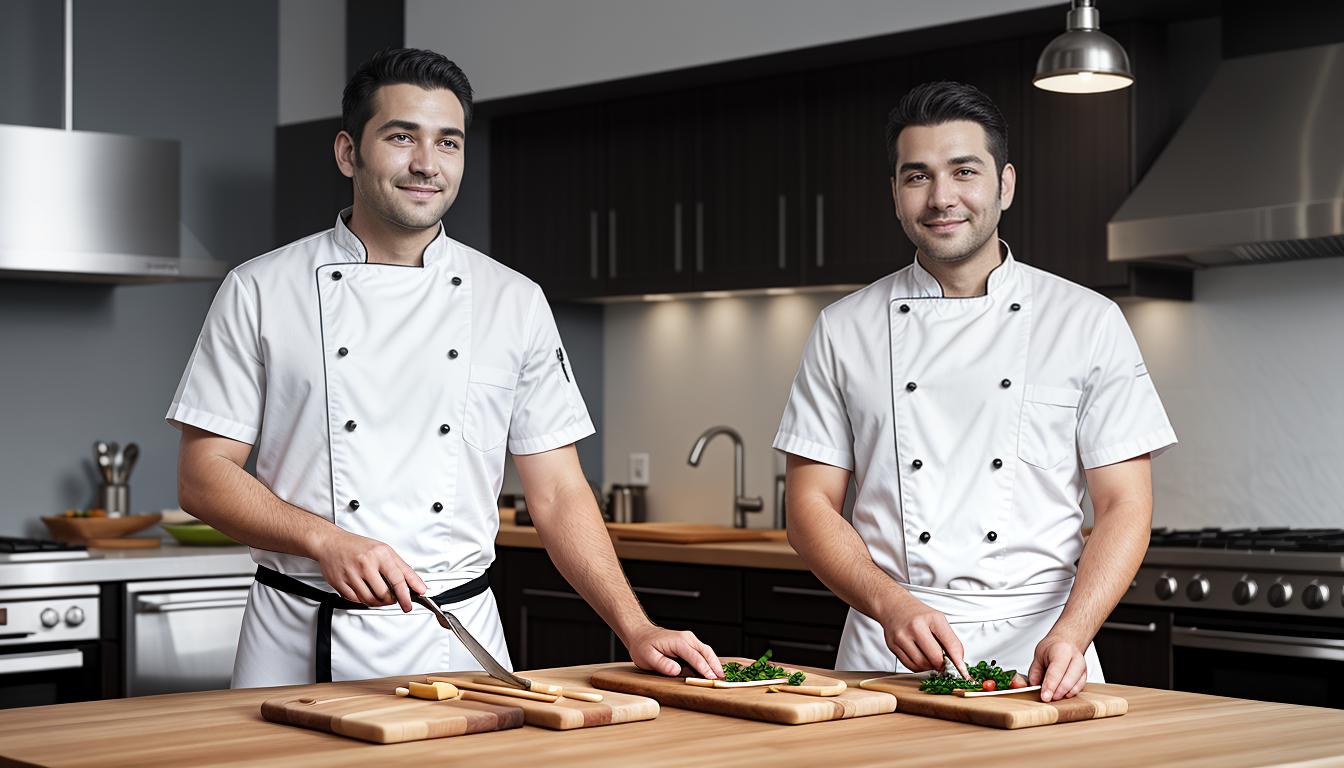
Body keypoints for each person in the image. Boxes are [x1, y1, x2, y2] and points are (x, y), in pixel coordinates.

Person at [168, 48, 722, 687]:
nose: (427, 164)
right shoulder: (260, 290)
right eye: (401, 137)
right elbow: (203, 476)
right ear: (349, 153)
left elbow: (560, 492)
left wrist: (636, 626)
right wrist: (325, 540)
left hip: (457, 639)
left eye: (448, 143)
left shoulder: (512, 301)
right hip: (298, 637)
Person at [774, 81, 1174, 702]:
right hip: (889, 647)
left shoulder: (1087, 320)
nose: (942, 198)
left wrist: (1074, 631)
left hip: (1047, 652)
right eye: (917, 177)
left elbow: (1125, 504)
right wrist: (889, 605)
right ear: (896, 194)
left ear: (1005, 184)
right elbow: (808, 507)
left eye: (965, 171)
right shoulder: (844, 328)